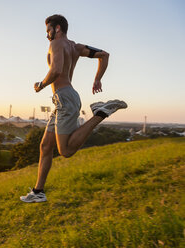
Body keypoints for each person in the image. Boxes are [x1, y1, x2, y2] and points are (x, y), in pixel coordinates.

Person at [20, 14, 127, 203]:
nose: (47, 35)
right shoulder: (75, 47)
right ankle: (38, 192)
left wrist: (41, 85)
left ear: (58, 28)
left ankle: (101, 113)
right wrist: (97, 79)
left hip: (65, 98)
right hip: (64, 99)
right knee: (45, 146)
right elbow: (104, 55)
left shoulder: (56, 44)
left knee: (66, 151)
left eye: (48, 30)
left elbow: (56, 70)